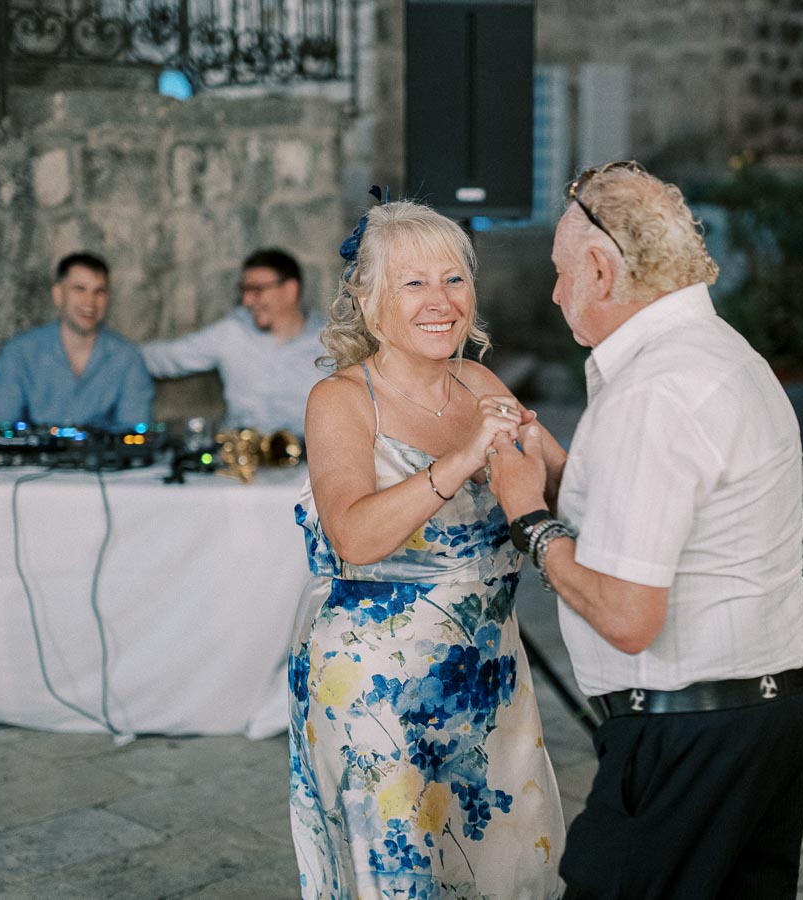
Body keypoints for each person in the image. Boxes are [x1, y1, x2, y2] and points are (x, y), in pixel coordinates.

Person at [486, 161, 803, 900]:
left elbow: (629, 616)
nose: (553, 291)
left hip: (690, 738)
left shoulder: (654, 391)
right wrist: (561, 473)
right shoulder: (719, 356)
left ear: (601, 270)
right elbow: (667, 511)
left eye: (561, 271)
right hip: (773, 717)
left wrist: (529, 517)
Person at [288, 197, 568, 898]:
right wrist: (461, 459)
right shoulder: (343, 400)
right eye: (414, 283)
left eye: (454, 279)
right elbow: (352, 536)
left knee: (509, 868)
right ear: (370, 298)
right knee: (399, 878)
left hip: (489, 679)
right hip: (374, 690)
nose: (440, 301)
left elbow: (564, 490)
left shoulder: (478, 382)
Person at [141, 248, 324, 435]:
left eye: (257, 290)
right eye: (244, 290)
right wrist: (116, 354)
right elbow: (168, 358)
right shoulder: (232, 331)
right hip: (239, 456)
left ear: (290, 290)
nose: (246, 301)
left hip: (308, 459)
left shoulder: (329, 342)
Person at [0, 252, 153, 430]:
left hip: (102, 457)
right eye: (80, 289)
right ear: (58, 294)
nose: (90, 302)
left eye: (99, 291)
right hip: (34, 456)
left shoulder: (128, 358)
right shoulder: (18, 354)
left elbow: (135, 435)